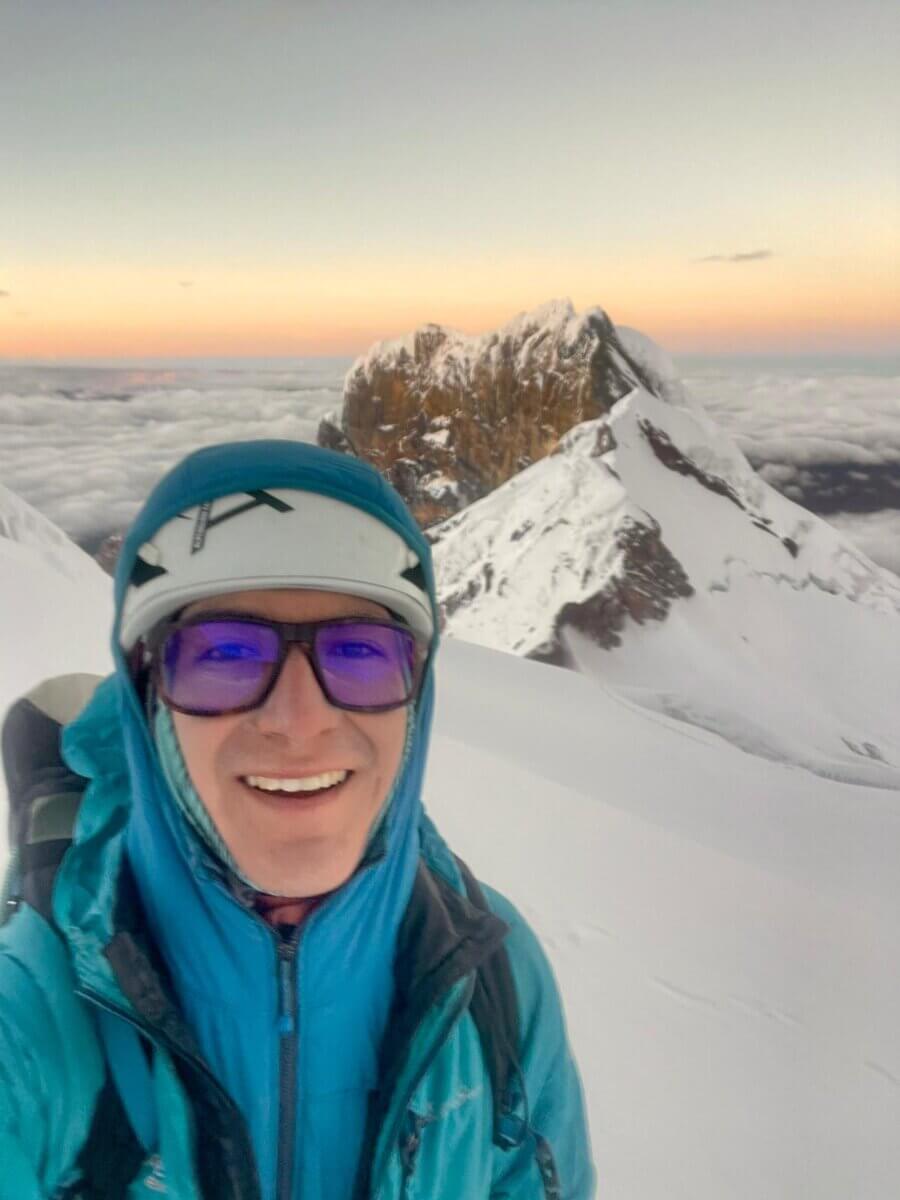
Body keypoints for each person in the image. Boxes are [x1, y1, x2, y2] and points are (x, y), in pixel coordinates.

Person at [0, 439, 595, 1199]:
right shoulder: (29, 1024)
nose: (298, 718)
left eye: (360, 651)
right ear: (147, 703)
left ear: (416, 696)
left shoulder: (495, 982)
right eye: (224, 653)